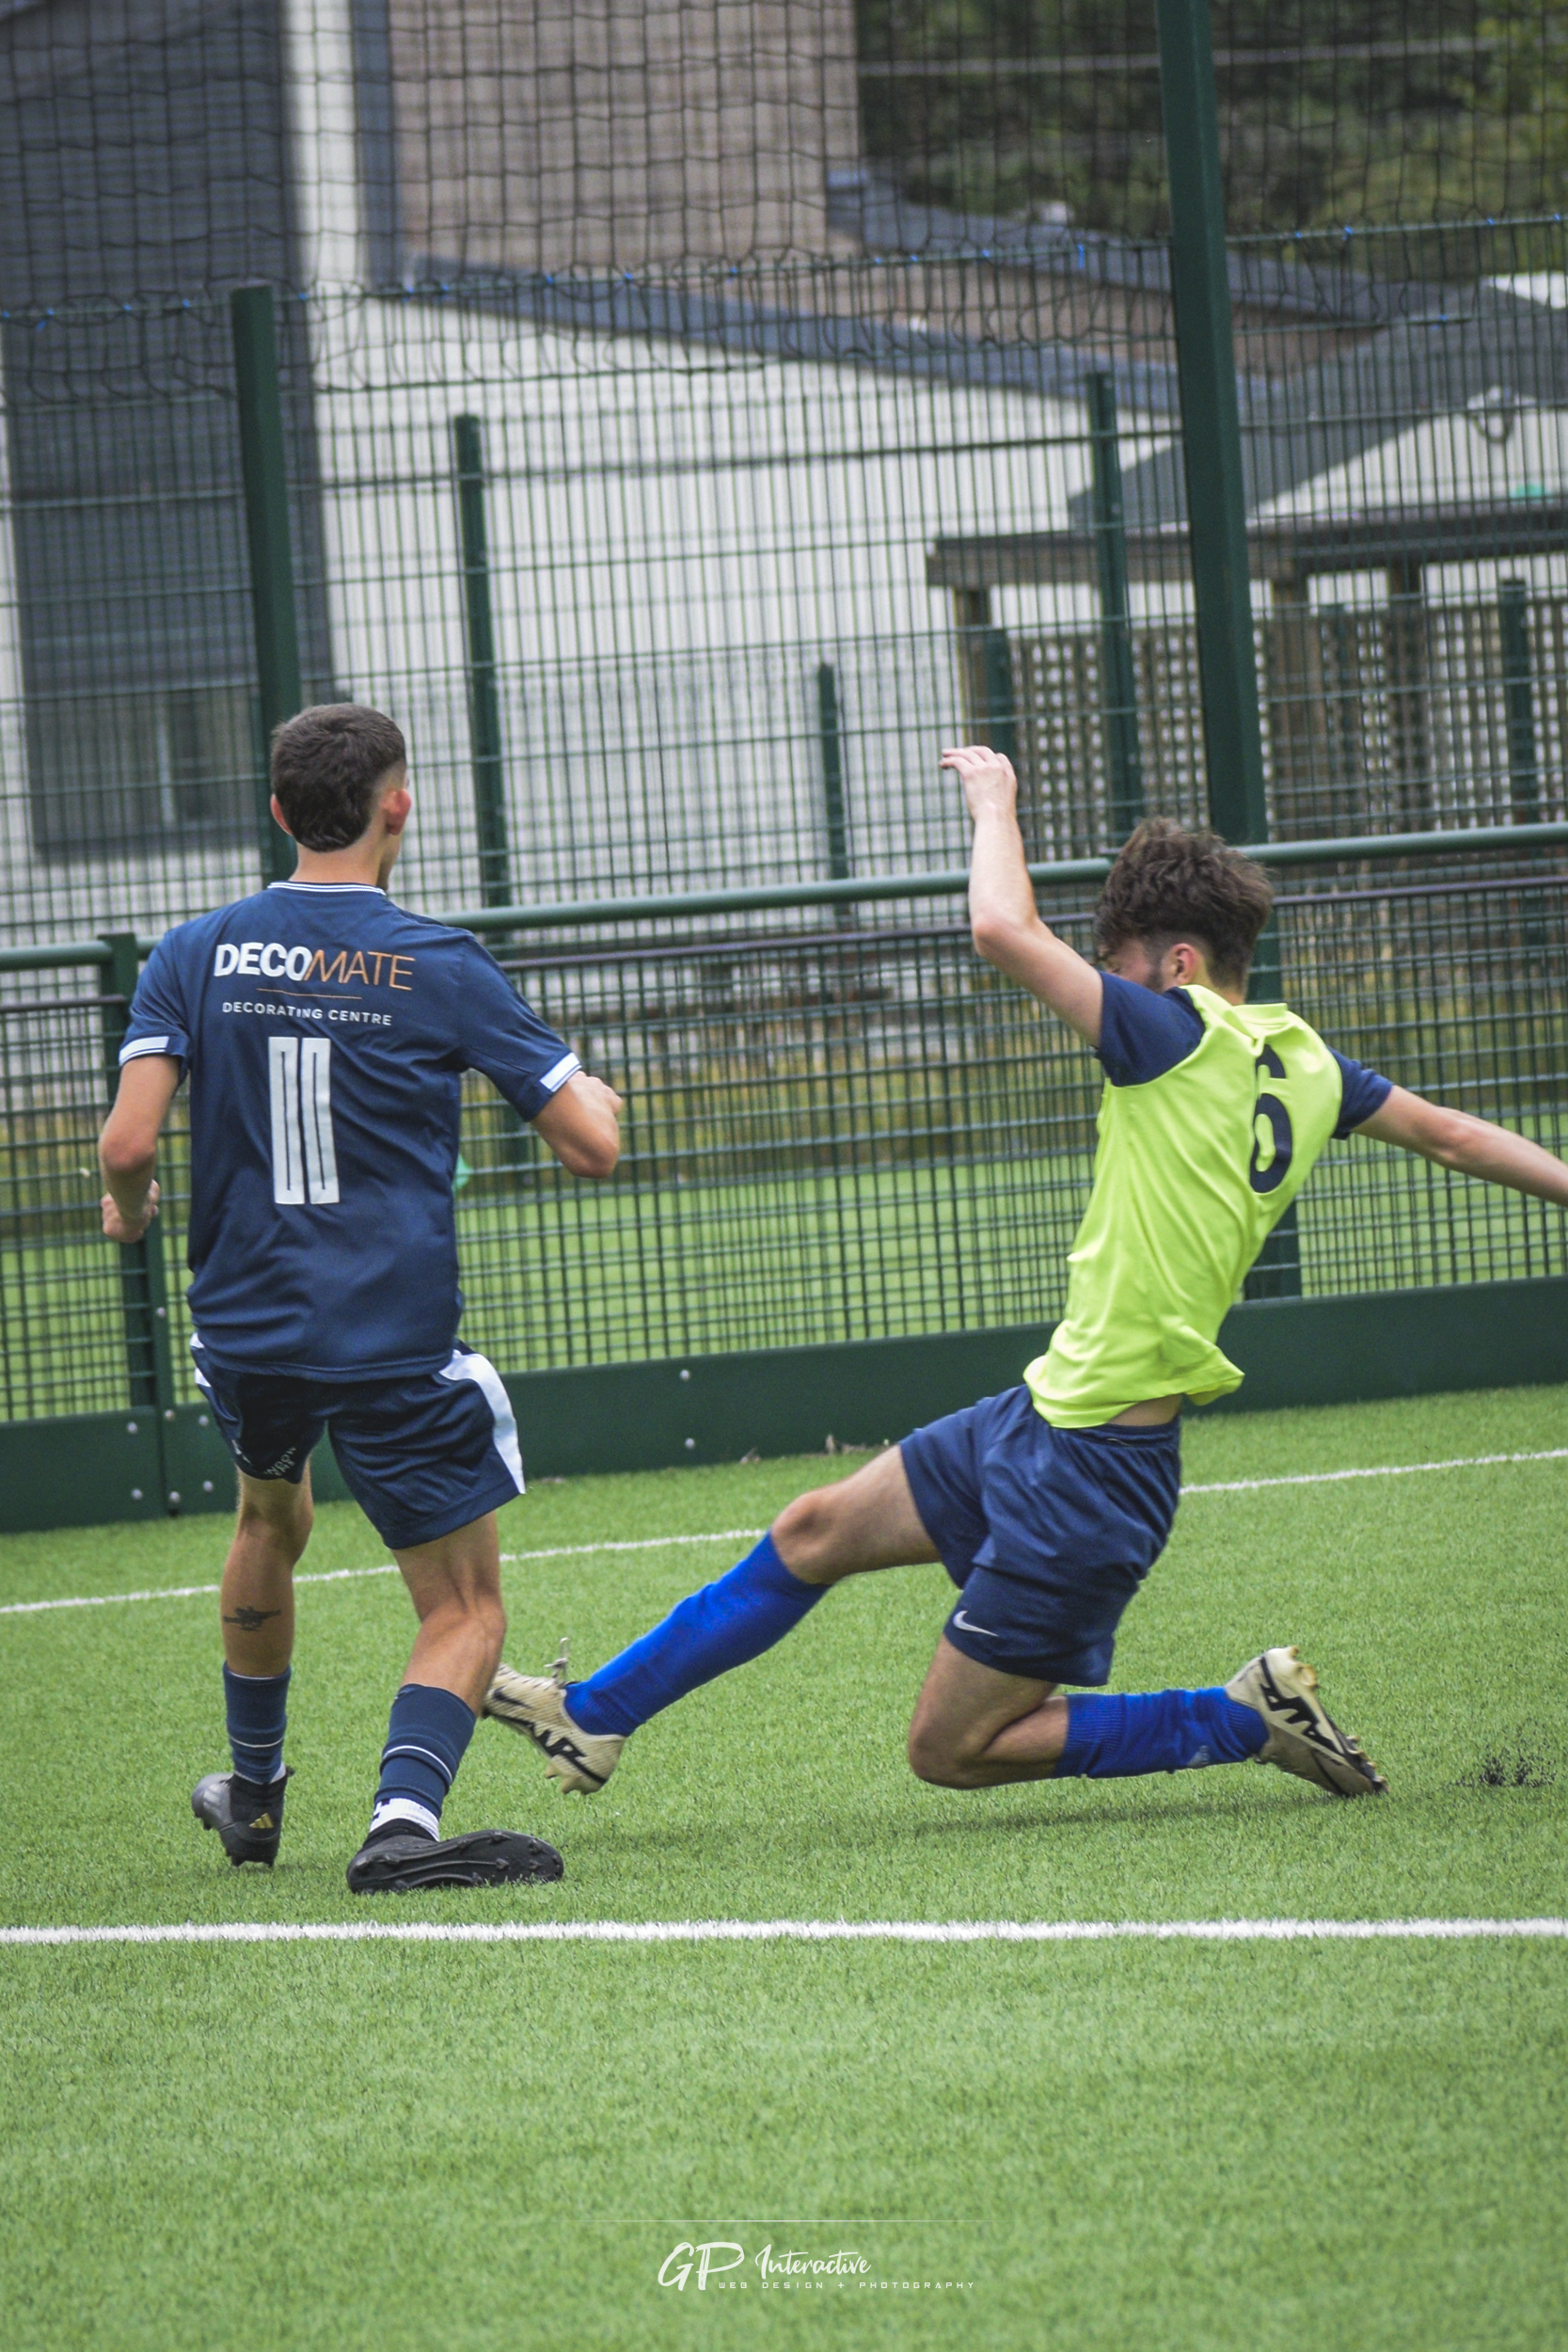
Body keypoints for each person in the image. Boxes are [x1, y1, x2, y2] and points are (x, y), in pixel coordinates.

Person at [486, 745, 1568, 1807]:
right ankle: (597, 1712)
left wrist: (994, 802)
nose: (1105, 983)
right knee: (813, 1529)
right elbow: (1456, 1134)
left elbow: (1001, 929)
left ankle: (1241, 1716)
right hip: (1041, 1417)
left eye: (1117, 960)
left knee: (950, 1750)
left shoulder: (1172, 1033)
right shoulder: (1308, 1062)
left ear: (1177, 964)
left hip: (1092, 1475)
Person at [99, 704, 622, 1891]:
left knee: (267, 1523)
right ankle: (400, 1823)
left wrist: (129, 1209)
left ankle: (254, 1794)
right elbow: (589, 1144)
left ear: (279, 811)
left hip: (246, 1330)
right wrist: (593, 1093)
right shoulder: (439, 962)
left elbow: (128, 1143)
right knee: (465, 1608)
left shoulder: (194, 951)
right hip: (388, 1338)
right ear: (399, 805)